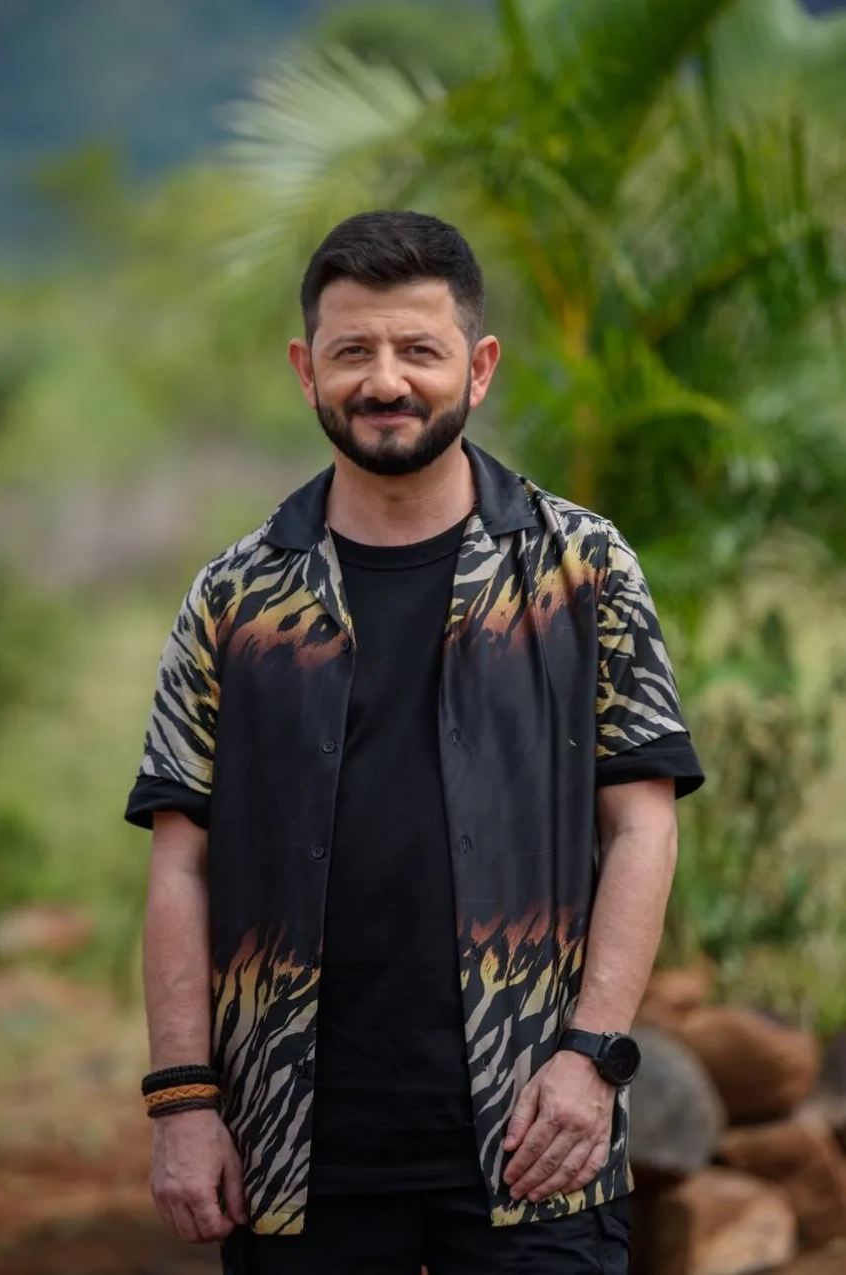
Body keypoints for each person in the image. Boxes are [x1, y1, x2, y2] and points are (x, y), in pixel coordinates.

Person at [126, 210, 704, 1275]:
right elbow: (180, 864)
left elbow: (641, 828)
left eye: (418, 350)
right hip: (289, 1148)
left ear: (477, 368)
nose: (384, 380)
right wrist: (183, 1100)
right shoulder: (233, 598)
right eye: (353, 350)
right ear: (306, 369)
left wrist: (591, 1058)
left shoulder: (582, 570)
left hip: (538, 1131)